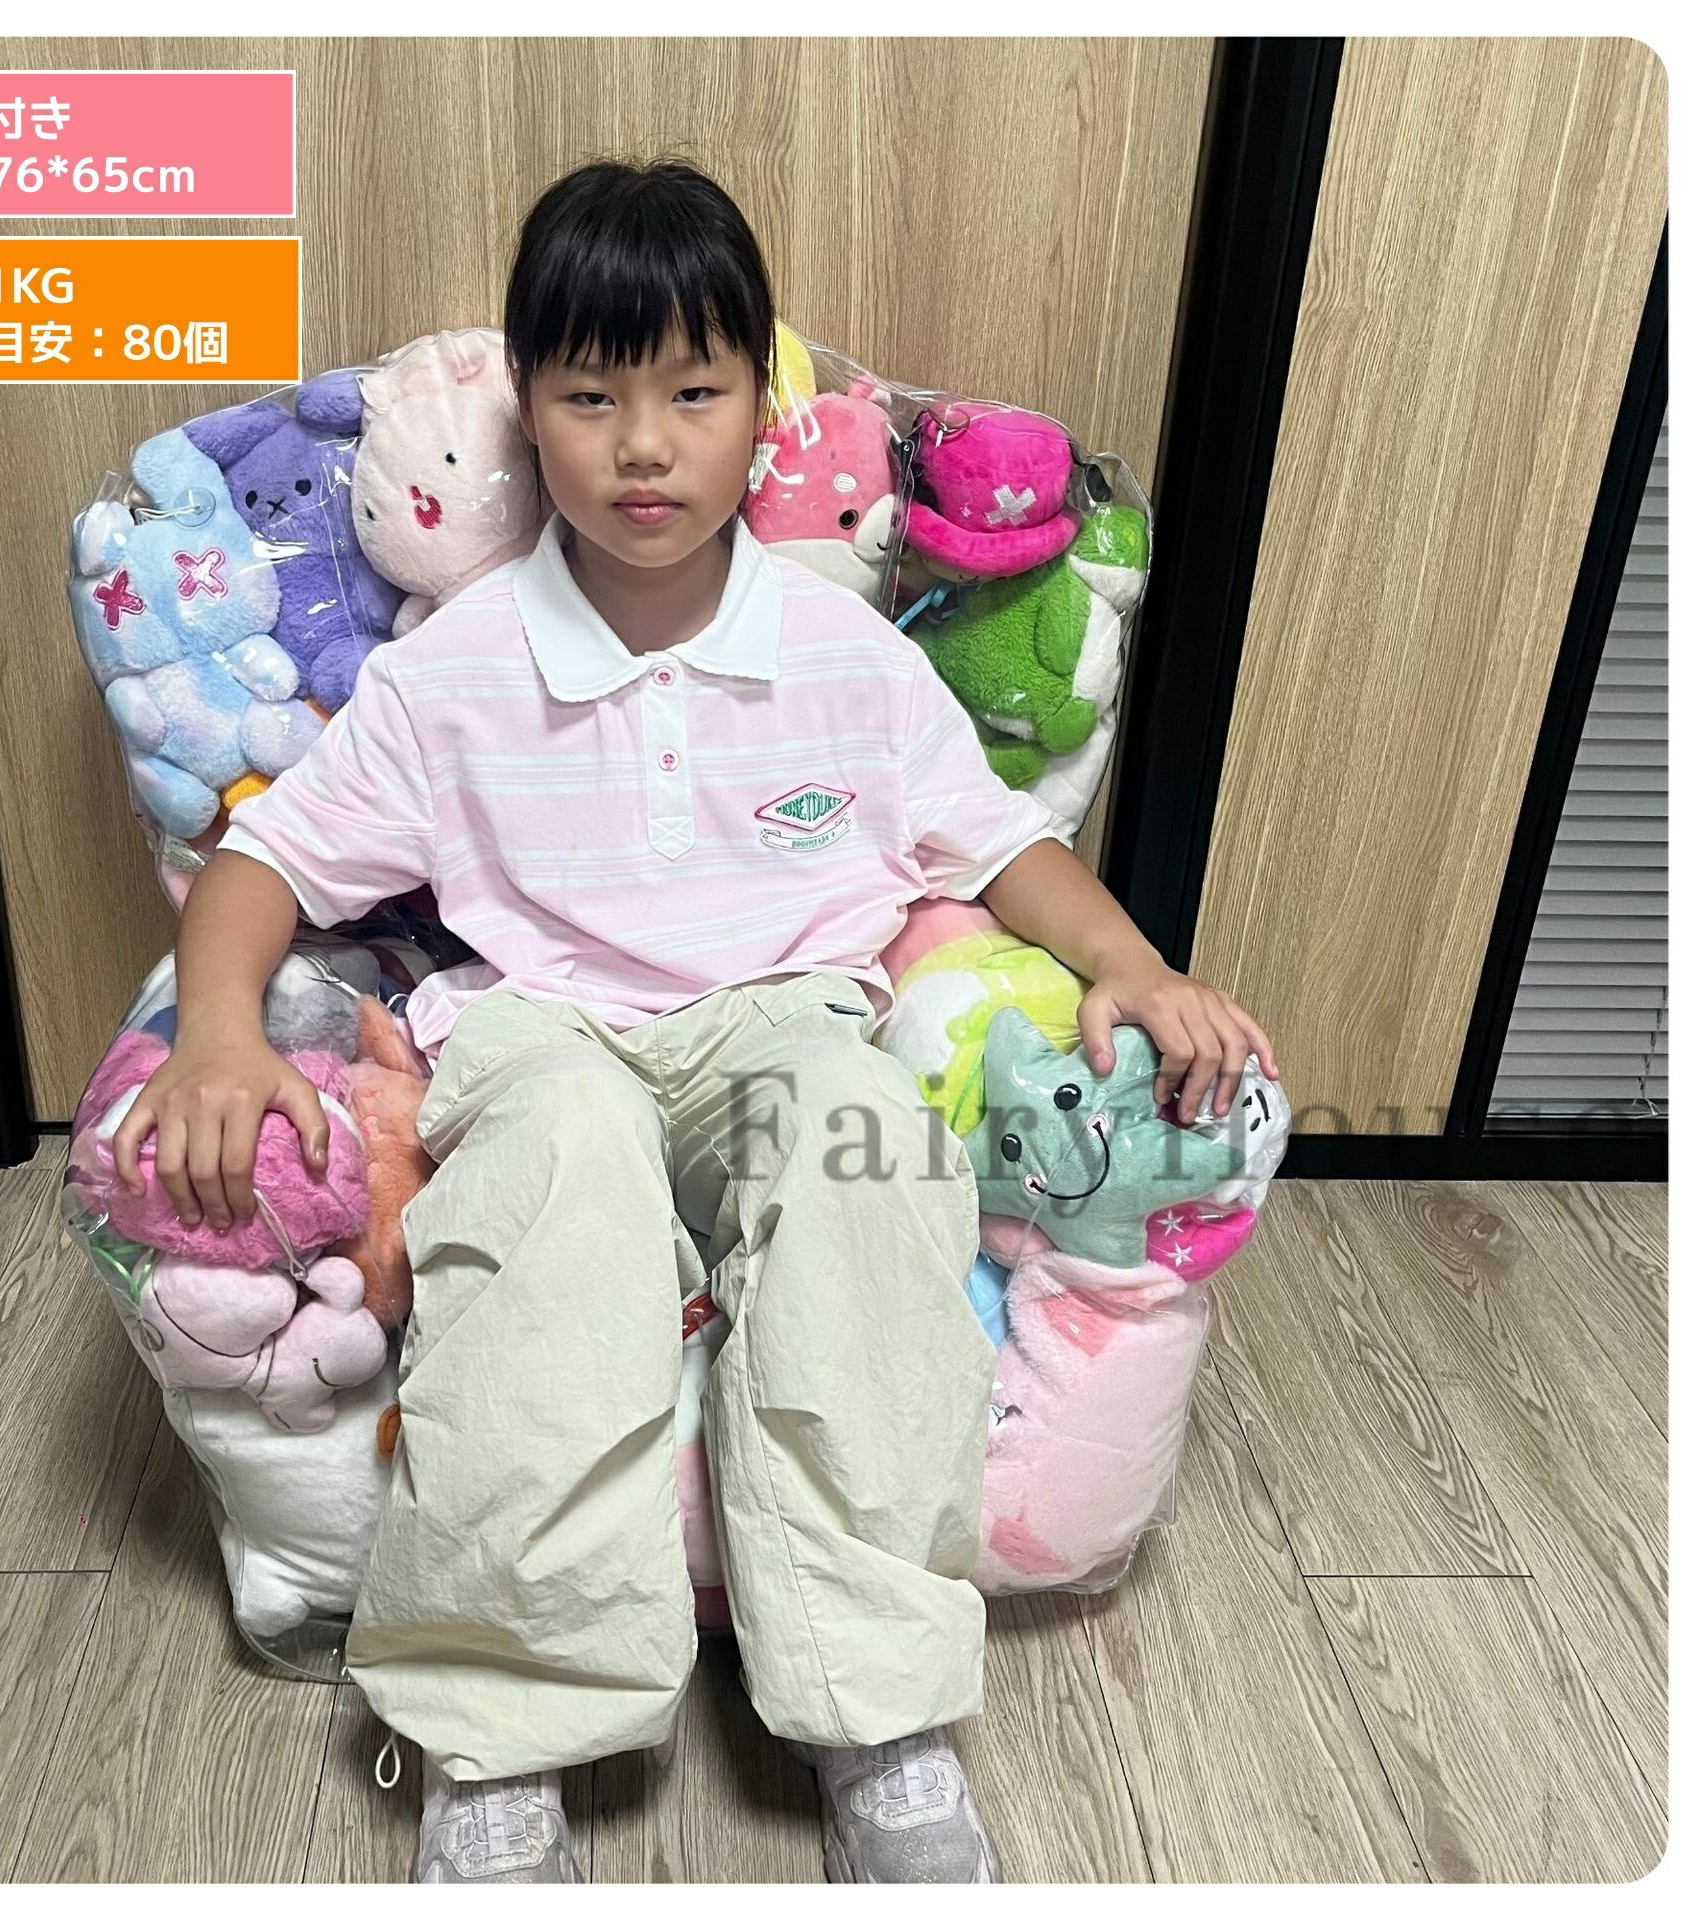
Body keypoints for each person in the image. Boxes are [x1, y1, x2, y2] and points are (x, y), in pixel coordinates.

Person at [113, 157, 1279, 1885]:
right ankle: (499, 1736)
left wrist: (1133, 961)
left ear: (760, 413)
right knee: (551, 1183)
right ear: (530, 412)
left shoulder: (845, 654)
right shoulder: (455, 670)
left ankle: (875, 1715)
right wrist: (220, 1027)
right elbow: (263, 858)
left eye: (693, 394)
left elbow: (998, 845)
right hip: (543, 1035)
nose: (643, 446)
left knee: (872, 1159)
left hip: (787, 1024)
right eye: (592, 398)